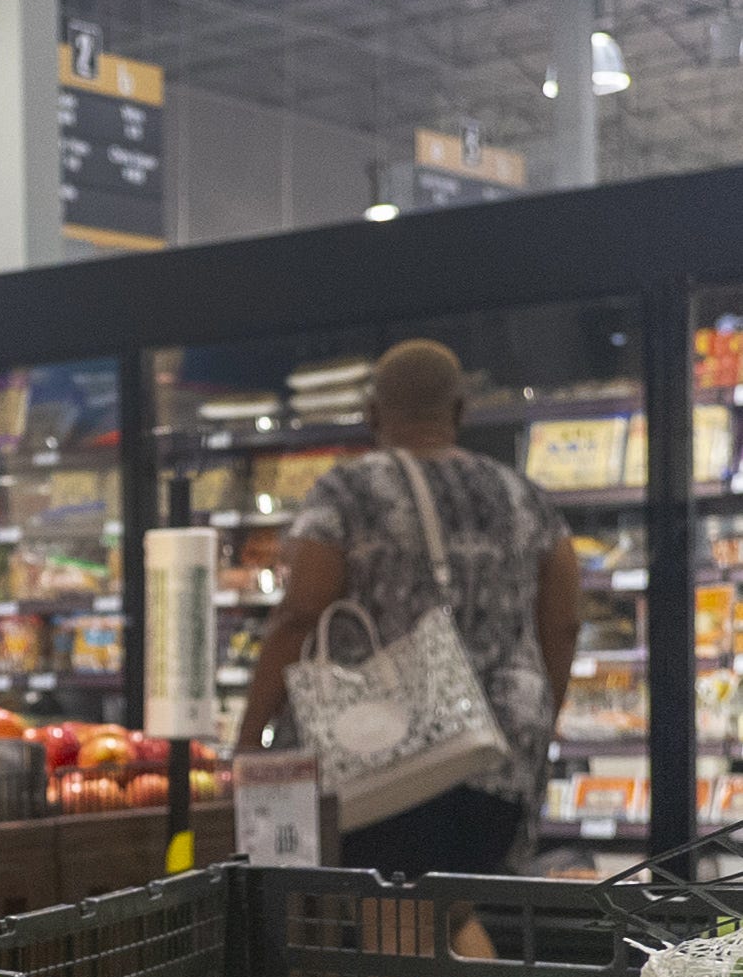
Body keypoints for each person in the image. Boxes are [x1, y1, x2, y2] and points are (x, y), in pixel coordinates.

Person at [235, 337, 579, 875]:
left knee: (391, 927)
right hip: (498, 750)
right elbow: (564, 623)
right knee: (451, 920)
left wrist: (251, 738)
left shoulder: (347, 493)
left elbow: (300, 613)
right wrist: (538, 716)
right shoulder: (525, 496)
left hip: (377, 755)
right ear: (460, 411)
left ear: (372, 414)